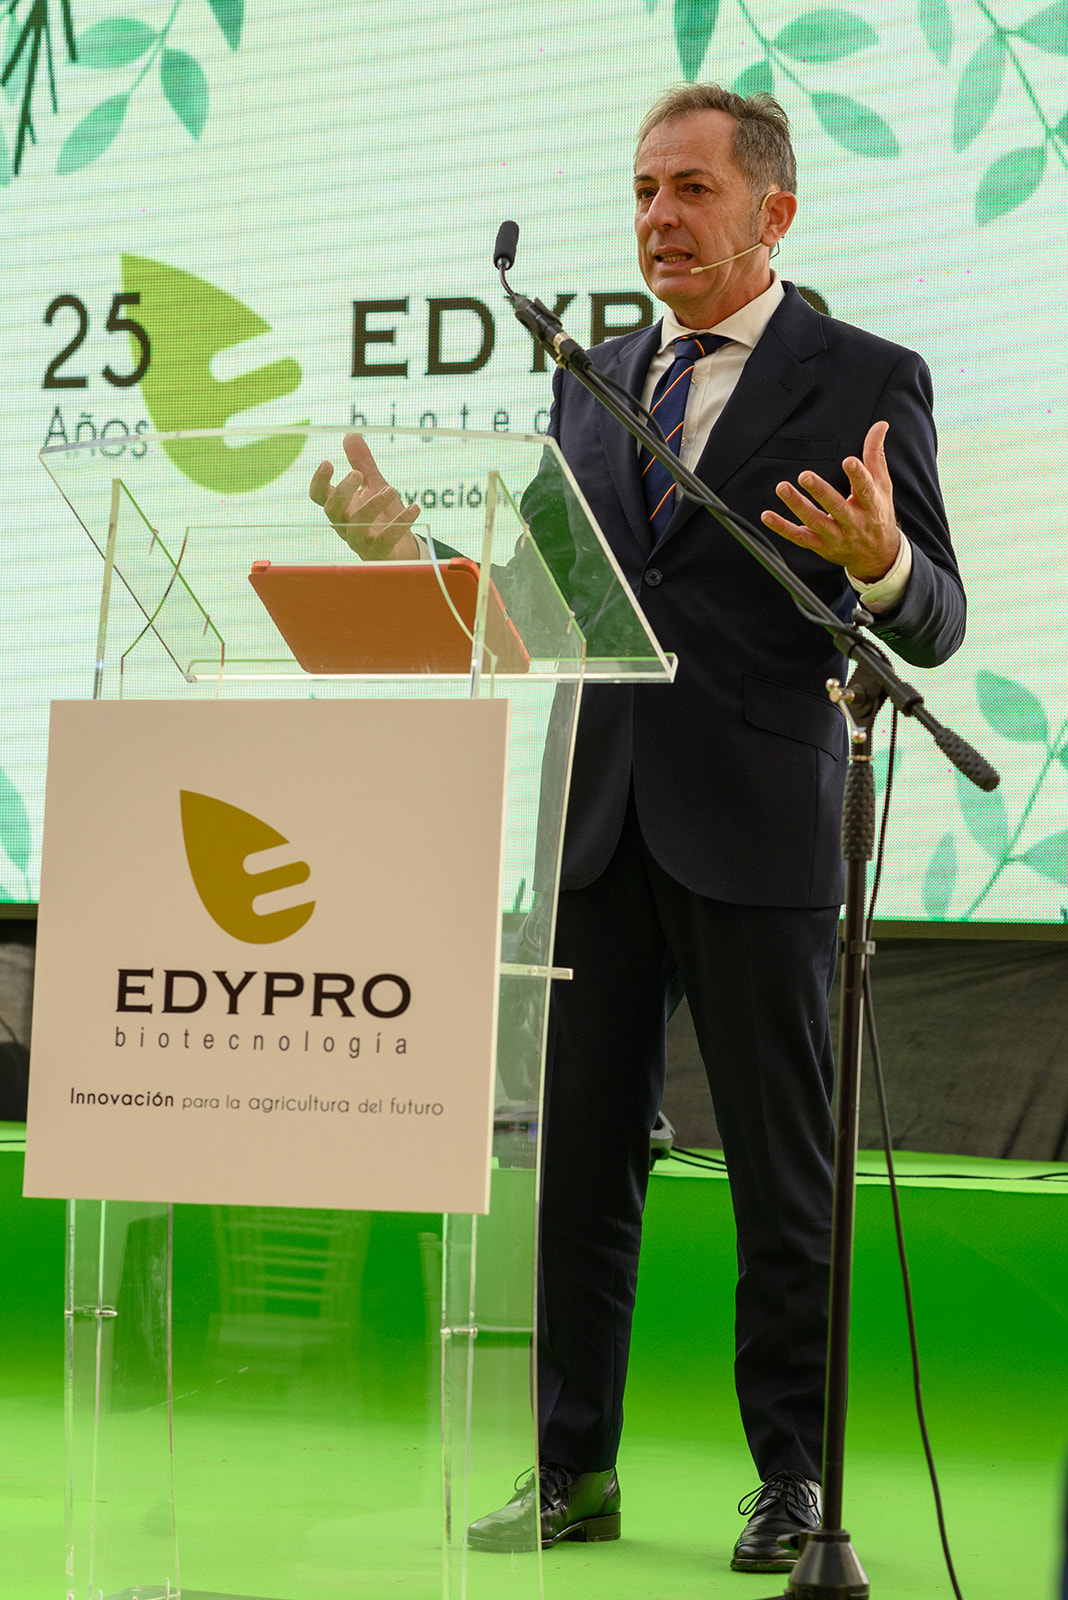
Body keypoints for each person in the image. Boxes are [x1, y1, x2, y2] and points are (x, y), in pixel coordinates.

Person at [310, 85, 965, 1574]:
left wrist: (882, 564)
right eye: (643, 191)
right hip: (595, 819)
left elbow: (936, 619)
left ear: (773, 213)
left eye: (691, 190)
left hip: (761, 823)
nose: (658, 217)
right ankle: (570, 1468)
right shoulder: (593, 380)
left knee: (784, 1176)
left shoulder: (866, 377)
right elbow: (553, 604)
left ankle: (795, 1480)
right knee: (581, 1164)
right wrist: (411, 552)